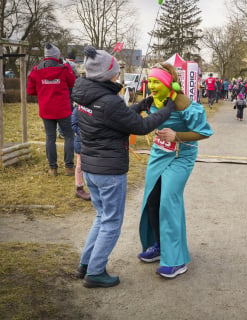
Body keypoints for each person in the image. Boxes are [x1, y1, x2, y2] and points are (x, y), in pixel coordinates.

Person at [72, 46, 174, 288]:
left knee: (101, 217)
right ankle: (95, 272)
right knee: (111, 222)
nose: (118, 76)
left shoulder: (86, 94)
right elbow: (139, 128)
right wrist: (167, 110)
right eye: (116, 72)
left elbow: (112, 118)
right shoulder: (108, 101)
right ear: (108, 74)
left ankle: (85, 263)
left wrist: (139, 106)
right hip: (109, 171)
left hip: (90, 168)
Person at [137, 63, 213, 279]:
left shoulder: (182, 102)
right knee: (152, 199)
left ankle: (177, 260)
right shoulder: (152, 100)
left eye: (156, 82)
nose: (151, 86)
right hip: (158, 154)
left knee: (168, 201)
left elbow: (204, 131)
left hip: (181, 156)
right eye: (149, 81)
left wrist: (177, 136)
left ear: (168, 83)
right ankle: (160, 245)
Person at [27, 43, 77, 176]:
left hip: (46, 109)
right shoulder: (64, 69)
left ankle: (53, 168)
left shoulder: (35, 70)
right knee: (68, 136)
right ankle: (69, 167)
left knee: (50, 138)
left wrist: (44, 90)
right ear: (57, 55)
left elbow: (30, 90)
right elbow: (73, 83)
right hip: (63, 109)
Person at [71, 103, 90, 201]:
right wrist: (84, 132)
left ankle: (91, 187)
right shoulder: (77, 109)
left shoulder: (92, 107)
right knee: (80, 164)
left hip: (90, 141)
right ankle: (79, 188)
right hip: (81, 142)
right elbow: (73, 124)